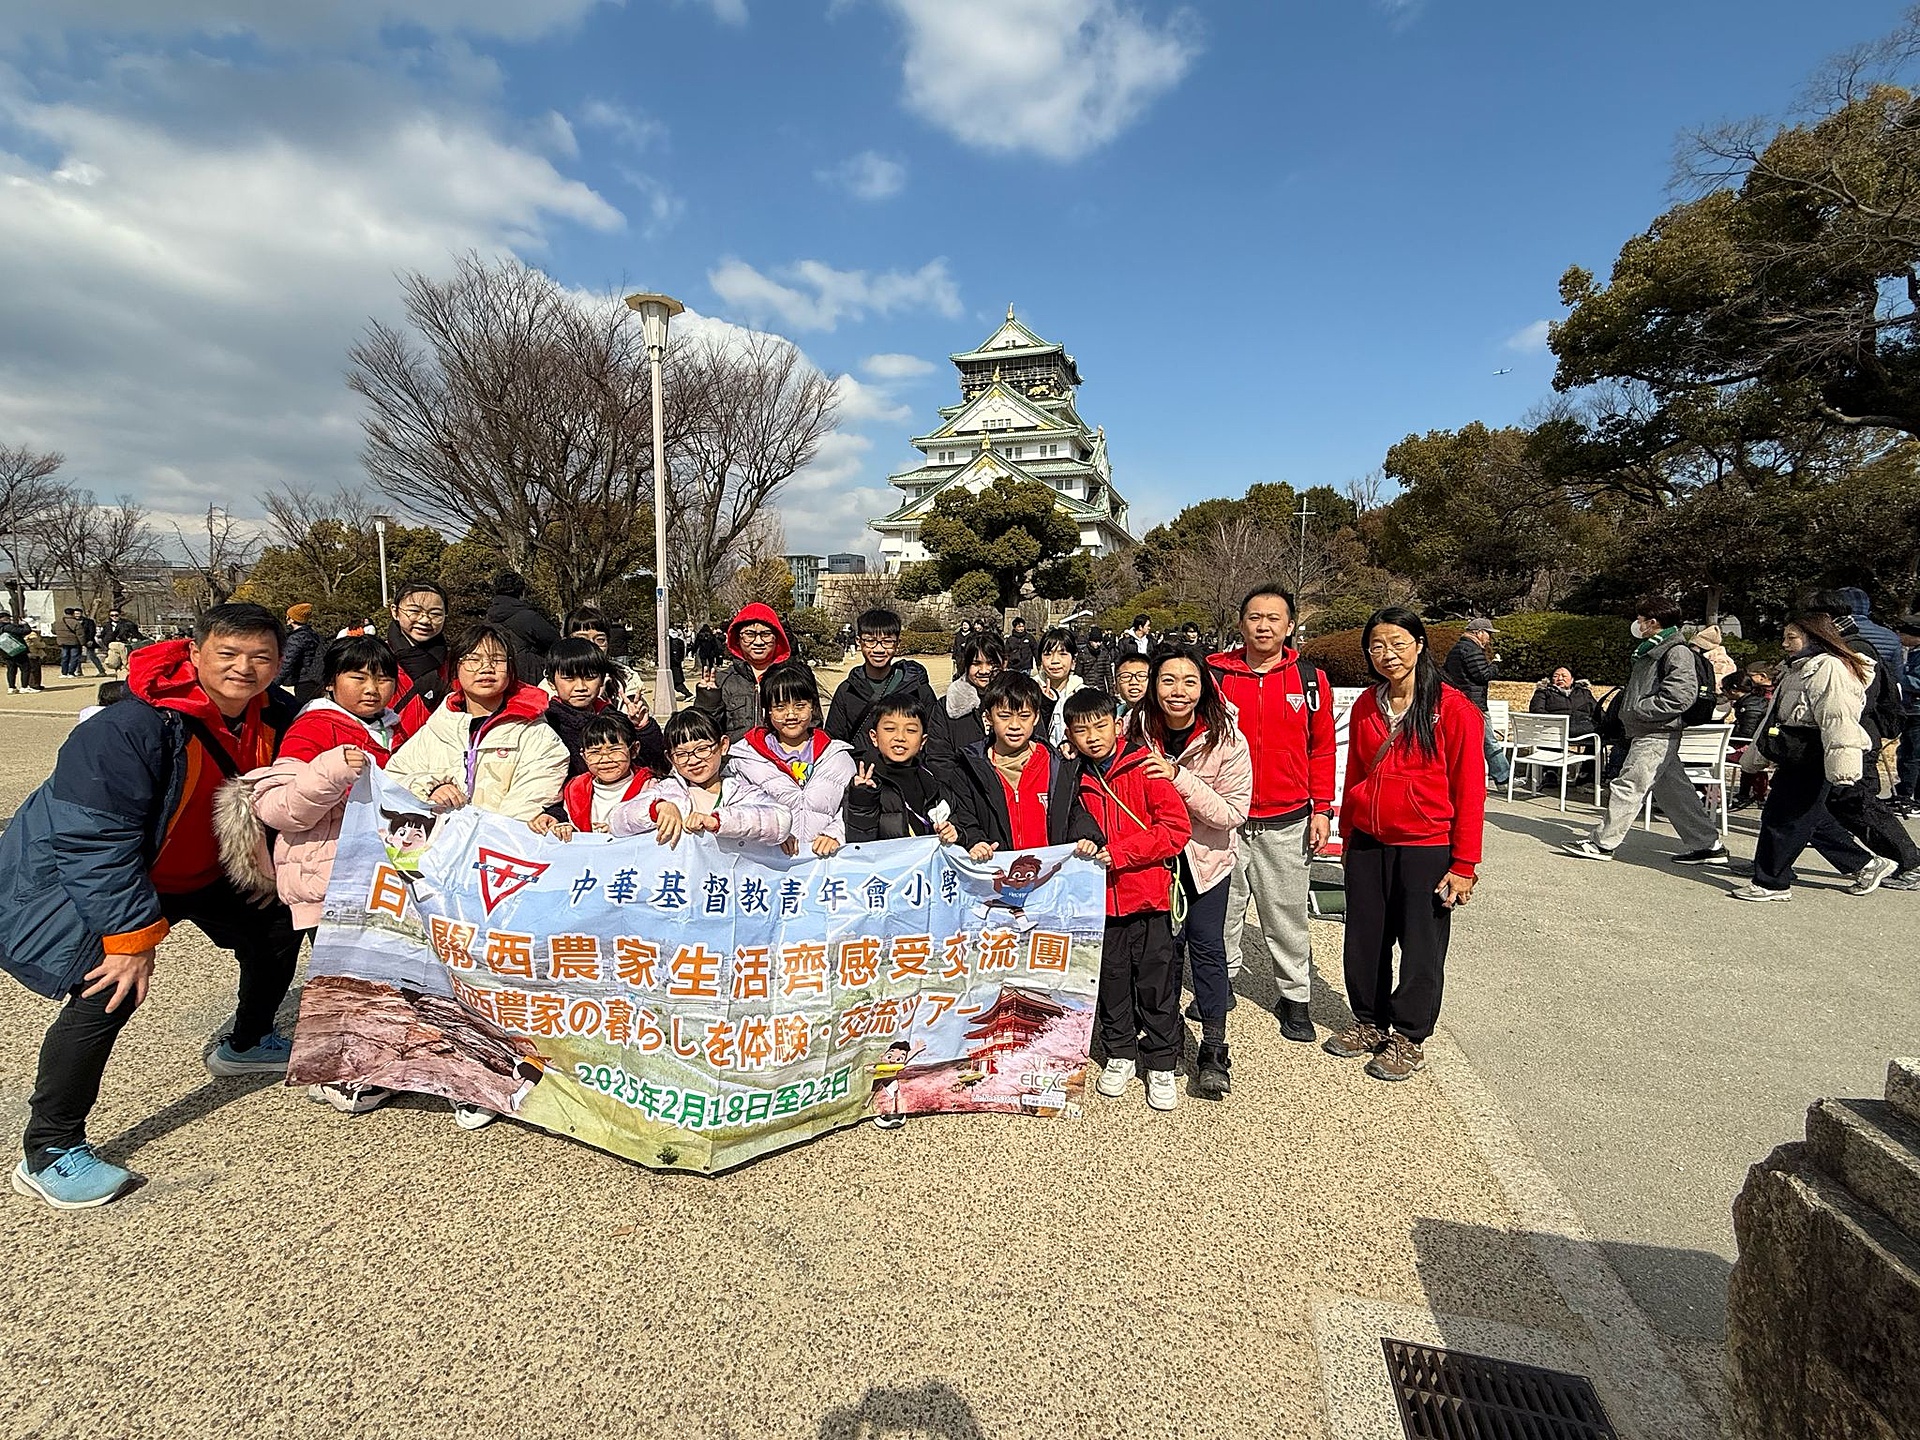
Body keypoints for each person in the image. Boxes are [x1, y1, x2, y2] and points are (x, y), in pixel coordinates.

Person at [0, 604, 301, 1208]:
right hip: (127, 878)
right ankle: (50, 1148)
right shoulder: (127, 727)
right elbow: (92, 840)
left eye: (261, 657)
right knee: (110, 990)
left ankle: (247, 1041)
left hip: (211, 869)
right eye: (228, 653)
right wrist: (130, 937)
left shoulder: (277, 713)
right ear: (194, 653)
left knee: (276, 926)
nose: (244, 668)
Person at [220, 634, 400, 1117]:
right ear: (330, 683)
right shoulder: (316, 727)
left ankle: (361, 1060)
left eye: (383, 677)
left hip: (369, 874)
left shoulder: (391, 726)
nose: (372, 688)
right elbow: (279, 809)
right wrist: (332, 769)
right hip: (328, 874)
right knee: (343, 979)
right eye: (357, 677)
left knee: (367, 974)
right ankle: (337, 1074)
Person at [1323, 609, 1485, 1082]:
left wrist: (1465, 863)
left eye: (1397, 643)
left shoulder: (1452, 708)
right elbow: (1357, 772)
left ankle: (1410, 1036)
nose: (1387, 654)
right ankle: (1369, 1020)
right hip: (1368, 841)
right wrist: (1347, 834)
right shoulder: (1366, 704)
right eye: (1376, 645)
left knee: (1420, 946)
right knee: (1364, 938)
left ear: (1419, 644)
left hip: (1426, 845)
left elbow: (1470, 789)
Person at [1209, 585, 1335, 1044]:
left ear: (1290, 625)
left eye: (1273, 618)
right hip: (1224, 818)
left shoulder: (1309, 680)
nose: (1263, 626)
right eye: (1254, 617)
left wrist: (1323, 808)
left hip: (1288, 819)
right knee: (1223, 910)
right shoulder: (1215, 675)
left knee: (1286, 914)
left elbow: (1322, 748)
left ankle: (1295, 996)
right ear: (1240, 622)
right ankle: (1219, 982)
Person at [1129, 646, 1251, 1100]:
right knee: (1160, 953)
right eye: (1167, 680)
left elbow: (1232, 812)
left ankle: (1215, 1049)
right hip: (1153, 859)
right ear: (1153, 686)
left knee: (1207, 950)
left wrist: (1177, 776)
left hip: (1205, 862)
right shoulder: (1136, 727)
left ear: (1204, 687)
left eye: (1189, 681)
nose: (1178, 691)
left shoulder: (1228, 740)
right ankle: (1167, 1038)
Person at [1065, 688, 1191, 1113]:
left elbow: (1175, 830)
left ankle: (1161, 1060)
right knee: (1111, 981)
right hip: (1099, 903)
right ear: (1070, 736)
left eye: (1100, 726)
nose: (1093, 737)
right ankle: (1119, 1052)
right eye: (1081, 731)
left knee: (1157, 983)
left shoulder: (1145, 768)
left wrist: (1121, 853)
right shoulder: (1072, 778)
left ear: (1118, 725)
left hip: (1148, 896)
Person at [1563, 597, 1728, 866]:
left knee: (1629, 785)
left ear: (1652, 622)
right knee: (1676, 794)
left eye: (1640, 620)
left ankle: (1603, 843)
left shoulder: (1674, 651)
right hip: (1653, 730)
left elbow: (1680, 696)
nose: (1637, 625)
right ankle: (1708, 845)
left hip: (1656, 731)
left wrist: (1639, 710)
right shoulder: (1655, 650)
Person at [1731, 615, 1886, 901]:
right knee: (1799, 816)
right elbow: (1773, 715)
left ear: (1814, 637)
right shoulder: (1798, 667)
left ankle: (1772, 883)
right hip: (1795, 750)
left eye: (1791, 637)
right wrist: (1756, 754)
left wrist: (1843, 767)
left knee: (1786, 819)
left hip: (1813, 752)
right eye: (1785, 637)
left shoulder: (1829, 667)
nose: (1784, 644)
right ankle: (1864, 864)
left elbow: (1838, 718)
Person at [387, 623, 570, 826]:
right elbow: (392, 778)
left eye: (497, 660)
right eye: (473, 659)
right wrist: (430, 787)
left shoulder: (537, 735)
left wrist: (480, 834)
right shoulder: (438, 728)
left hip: (499, 842)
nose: (486, 668)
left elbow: (526, 806)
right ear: (456, 668)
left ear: (511, 669)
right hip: (439, 842)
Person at [1804, 590, 1920, 886]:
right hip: (1857, 732)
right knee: (1831, 803)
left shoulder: (1849, 648)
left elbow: (1857, 699)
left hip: (1855, 734)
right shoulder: (1880, 638)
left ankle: (1909, 862)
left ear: (1825, 618)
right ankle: (1773, 867)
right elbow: (1895, 678)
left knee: (1855, 801)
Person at [955, 670, 1104, 858]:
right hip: (998, 871)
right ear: (988, 718)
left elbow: (1072, 810)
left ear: (1036, 717)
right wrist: (975, 841)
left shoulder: (1057, 764)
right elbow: (965, 818)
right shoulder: (970, 768)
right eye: (1004, 716)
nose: (1015, 725)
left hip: (1049, 871)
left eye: (1024, 716)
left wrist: (1086, 836)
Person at [726, 660, 856, 857]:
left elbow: (852, 806)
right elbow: (735, 809)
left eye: (800, 705)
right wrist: (775, 831)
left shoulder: (838, 757)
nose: (791, 715)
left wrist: (836, 832)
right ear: (768, 710)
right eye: (780, 707)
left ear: (813, 706)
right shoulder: (745, 759)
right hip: (767, 865)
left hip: (824, 864)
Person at [611, 708, 791, 848]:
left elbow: (780, 819)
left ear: (723, 745)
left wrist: (719, 821)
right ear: (670, 758)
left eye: (702, 749)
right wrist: (657, 808)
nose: (693, 760)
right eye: (681, 754)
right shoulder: (666, 790)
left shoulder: (739, 791)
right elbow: (616, 819)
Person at [843, 697, 967, 845]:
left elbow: (960, 826)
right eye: (890, 729)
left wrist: (955, 833)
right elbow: (858, 843)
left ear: (923, 741)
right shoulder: (864, 784)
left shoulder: (933, 782)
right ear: (874, 737)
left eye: (911, 730)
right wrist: (863, 799)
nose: (900, 737)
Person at [544, 636, 668, 781]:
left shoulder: (614, 718)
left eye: (590, 677)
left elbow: (654, 765)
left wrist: (643, 729)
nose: (580, 687)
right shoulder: (548, 725)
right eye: (569, 678)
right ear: (551, 682)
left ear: (602, 679)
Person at [825, 608, 940, 756]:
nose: (878, 649)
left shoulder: (917, 688)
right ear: (859, 642)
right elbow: (834, 743)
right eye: (870, 641)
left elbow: (934, 739)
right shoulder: (847, 690)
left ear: (897, 643)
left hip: (908, 768)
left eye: (887, 641)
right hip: (860, 768)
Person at [531, 711, 655, 841]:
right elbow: (573, 828)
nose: (605, 759)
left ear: (634, 750)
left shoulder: (650, 787)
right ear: (584, 756)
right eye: (595, 752)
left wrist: (617, 830)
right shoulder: (575, 790)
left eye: (614, 750)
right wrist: (566, 829)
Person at [697, 602, 801, 743]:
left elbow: (812, 724)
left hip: (781, 755)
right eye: (749, 634)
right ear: (737, 638)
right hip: (735, 755)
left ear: (777, 637)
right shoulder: (722, 680)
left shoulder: (794, 677)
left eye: (766, 634)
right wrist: (708, 699)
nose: (758, 642)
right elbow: (703, 732)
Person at [1441, 618, 1510, 788]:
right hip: (1475, 703)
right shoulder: (1473, 650)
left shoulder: (1456, 649)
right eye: (1488, 634)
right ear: (1479, 633)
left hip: (1460, 701)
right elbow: (1482, 675)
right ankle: (1503, 778)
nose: (1489, 638)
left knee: (1468, 742)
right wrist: (1496, 665)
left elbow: (1446, 674)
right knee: (1489, 740)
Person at [387, 579, 450, 742]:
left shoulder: (455, 662)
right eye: (414, 611)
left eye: (435, 614)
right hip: (390, 746)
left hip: (440, 747)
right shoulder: (378, 658)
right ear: (395, 611)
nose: (424, 620)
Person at [484, 571, 560, 686]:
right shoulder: (529, 617)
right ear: (522, 592)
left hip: (497, 673)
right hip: (529, 674)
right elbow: (555, 640)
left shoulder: (488, 619)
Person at [935, 633, 1004, 753]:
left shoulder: (1021, 699)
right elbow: (938, 755)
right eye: (976, 664)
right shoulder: (946, 706)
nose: (984, 671)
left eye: (991, 663)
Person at [1035, 627, 1084, 749]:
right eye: (1048, 654)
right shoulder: (1029, 691)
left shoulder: (1082, 694)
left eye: (1062, 654)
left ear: (1073, 661)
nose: (1055, 661)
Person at [1528, 666, 1601, 738]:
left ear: (1572, 680)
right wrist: (1557, 722)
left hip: (1585, 730)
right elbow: (1537, 711)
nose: (1560, 678)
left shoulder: (1584, 693)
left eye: (1564, 676)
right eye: (1556, 676)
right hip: (1555, 731)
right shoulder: (1543, 692)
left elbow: (1598, 711)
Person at [1895, 615, 1920, 814]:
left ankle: (1910, 796)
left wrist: (1899, 678)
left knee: (1914, 755)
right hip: (1909, 710)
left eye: (1904, 633)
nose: (1900, 637)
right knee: (1905, 752)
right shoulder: (1910, 653)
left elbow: (1917, 682)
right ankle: (1904, 791)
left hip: (1918, 710)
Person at [3, 616, 45, 693]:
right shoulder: (8, 627)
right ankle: (24, 687)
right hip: (18, 650)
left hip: (6, 651)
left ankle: (11, 687)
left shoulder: (3, 628)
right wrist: (25, 624)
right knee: (25, 668)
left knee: (11, 669)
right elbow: (26, 631)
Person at [100, 608, 143, 674]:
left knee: (125, 662)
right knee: (113, 662)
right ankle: (120, 672)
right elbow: (103, 635)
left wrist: (141, 639)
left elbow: (136, 634)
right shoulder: (106, 625)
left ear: (119, 615)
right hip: (111, 646)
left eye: (116, 615)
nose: (114, 617)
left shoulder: (128, 624)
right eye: (112, 615)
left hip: (124, 645)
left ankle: (125, 671)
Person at [1112, 651, 1152, 723]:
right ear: (1115, 687)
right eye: (1126, 676)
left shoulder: (1163, 716)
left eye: (1141, 676)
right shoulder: (1112, 717)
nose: (1133, 682)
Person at [1077, 626, 1116, 694]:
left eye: (1100, 641)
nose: (1098, 644)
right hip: (1087, 689)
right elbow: (1078, 674)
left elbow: (1108, 674)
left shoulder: (1104, 653)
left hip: (1101, 689)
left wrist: (1111, 691)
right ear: (1090, 641)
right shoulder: (1083, 653)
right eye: (1095, 641)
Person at [53, 607, 84, 678]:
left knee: (64, 657)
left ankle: (64, 673)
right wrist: (82, 643)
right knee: (74, 657)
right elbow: (80, 634)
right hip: (74, 642)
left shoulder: (57, 622)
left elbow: (53, 631)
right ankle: (71, 673)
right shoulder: (76, 622)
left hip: (62, 642)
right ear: (73, 613)